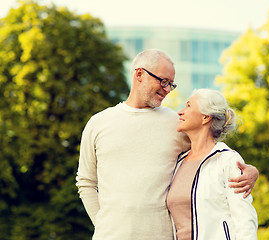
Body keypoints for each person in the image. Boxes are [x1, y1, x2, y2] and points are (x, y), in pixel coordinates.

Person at [75, 49, 259, 240]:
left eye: (171, 84)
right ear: (139, 74)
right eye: (163, 81)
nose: (167, 89)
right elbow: (86, 182)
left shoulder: (177, 125)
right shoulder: (99, 123)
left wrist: (250, 171)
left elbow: (210, 153)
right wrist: (104, 226)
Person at [167, 88, 258, 240]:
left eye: (188, 106)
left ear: (206, 118)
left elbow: (244, 220)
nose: (180, 112)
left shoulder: (227, 160)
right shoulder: (178, 163)